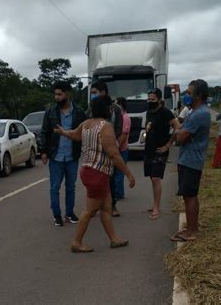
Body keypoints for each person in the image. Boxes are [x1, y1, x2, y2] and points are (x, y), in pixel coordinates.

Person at [55, 96, 135, 253]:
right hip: (98, 173)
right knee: (89, 210)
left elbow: (74, 135)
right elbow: (113, 153)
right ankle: (77, 242)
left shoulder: (86, 124)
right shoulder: (106, 126)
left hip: (88, 170)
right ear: (107, 109)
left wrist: (63, 132)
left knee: (105, 208)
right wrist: (129, 174)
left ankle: (114, 239)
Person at [39, 81, 87, 226]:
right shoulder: (50, 112)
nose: (57, 97)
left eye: (59, 94)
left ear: (68, 94)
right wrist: (44, 151)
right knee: (54, 187)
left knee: (71, 187)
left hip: (72, 155)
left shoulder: (79, 112)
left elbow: (84, 132)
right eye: (55, 94)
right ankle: (57, 215)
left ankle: (70, 213)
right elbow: (44, 132)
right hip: (56, 156)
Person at [171, 79, 211, 242]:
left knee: (190, 195)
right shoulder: (195, 112)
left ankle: (192, 231)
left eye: (189, 92)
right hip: (189, 160)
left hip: (191, 161)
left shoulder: (199, 114)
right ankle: (192, 228)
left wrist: (177, 130)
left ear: (198, 95)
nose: (186, 95)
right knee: (189, 195)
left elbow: (180, 138)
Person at [144, 88, 181, 220]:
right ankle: (155, 204)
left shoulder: (166, 113)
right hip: (149, 149)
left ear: (159, 100)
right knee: (152, 178)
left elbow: (177, 128)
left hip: (160, 150)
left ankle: (156, 208)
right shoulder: (149, 112)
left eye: (152, 99)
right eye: (148, 99)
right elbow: (148, 128)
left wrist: (168, 145)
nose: (150, 101)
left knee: (156, 178)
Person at [88, 81, 123, 217]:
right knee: (94, 179)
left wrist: (110, 139)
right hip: (94, 150)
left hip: (109, 149)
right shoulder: (91, 109)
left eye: (94, 92)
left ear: (103, 92)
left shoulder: (115, 109)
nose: (92, 95)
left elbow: (119, 128)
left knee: (111, 179)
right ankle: (94, 206)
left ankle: (112, 205)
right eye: (92, 93)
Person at [113, 97, 131, 200]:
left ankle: (118, 193)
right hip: (118, 148)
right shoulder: (119, 116)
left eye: (116, 104)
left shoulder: (125, 117)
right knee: (117, 172)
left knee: (119, 172)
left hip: (122, 149)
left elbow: (124, 135)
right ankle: (119, 192)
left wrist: (118, 146)